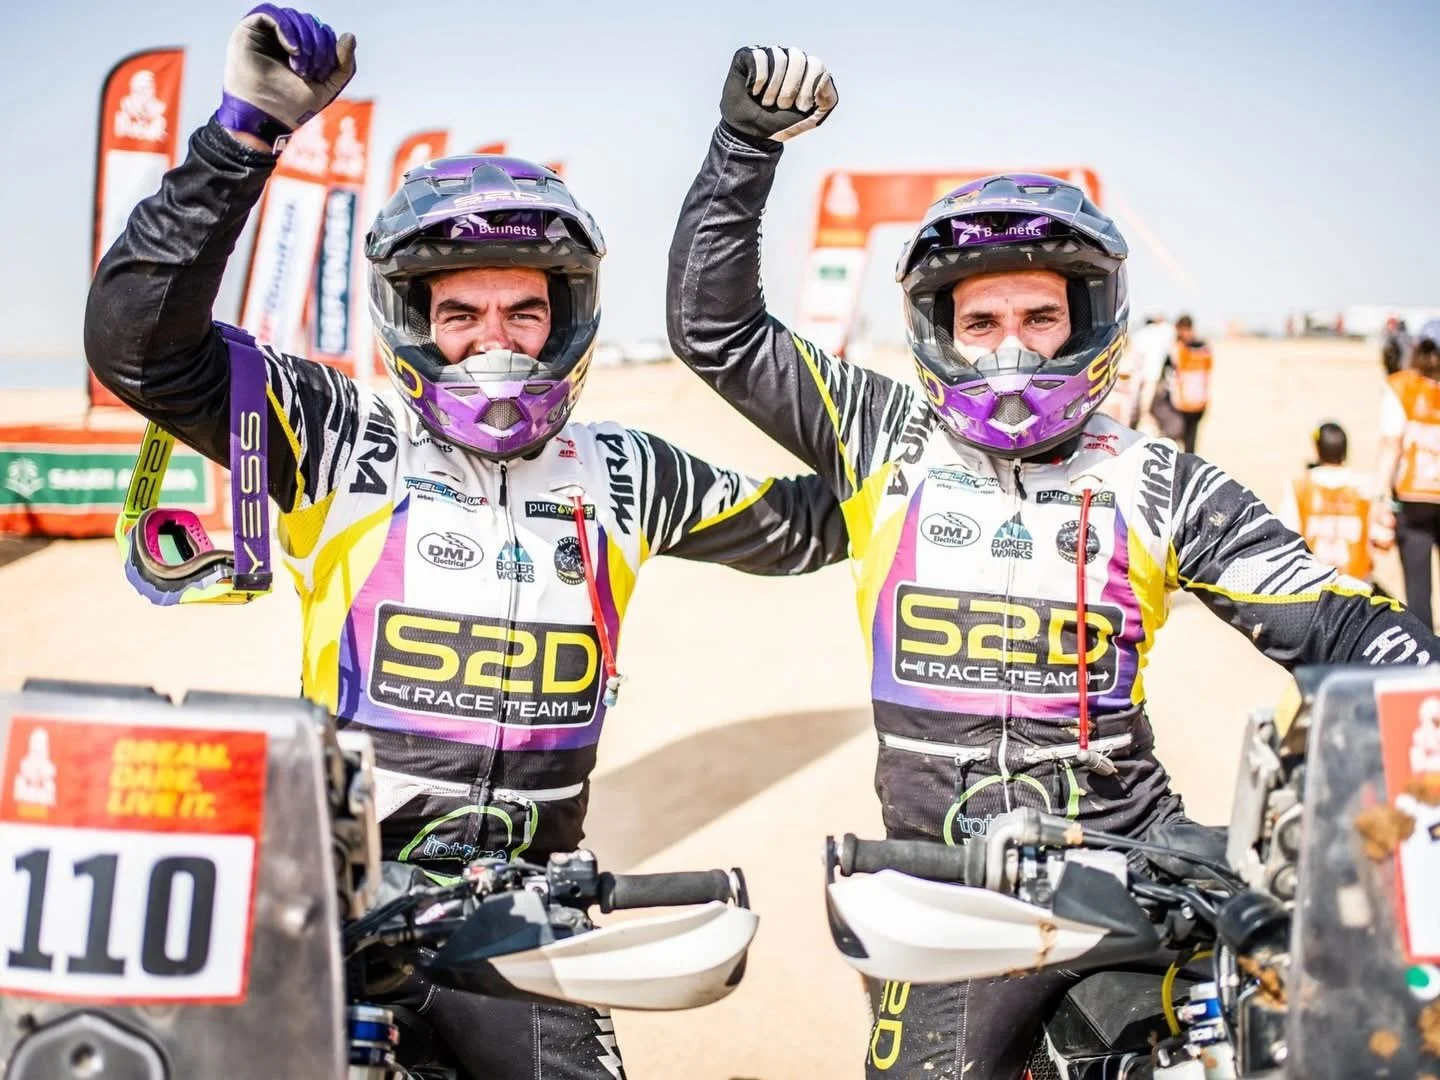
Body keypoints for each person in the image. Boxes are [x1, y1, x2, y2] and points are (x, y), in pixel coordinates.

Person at [85, 11, 847, 1078]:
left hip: (530, 910)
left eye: (524, 312)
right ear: (412, 319)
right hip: (340, 899)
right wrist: (243, 137)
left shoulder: (625, 471)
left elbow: (819, 522)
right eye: (461, 314)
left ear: (567, 317)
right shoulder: (336, 435)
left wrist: (967, 446)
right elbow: (139, 348)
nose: (496, 341)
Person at [665, 44, 1440, 1079]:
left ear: (1091, 321)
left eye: (1040, 318)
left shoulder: (1158, 480)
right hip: (947, 894)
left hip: (1134, 867)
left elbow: (1343, 622)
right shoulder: (880, 434)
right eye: (981, 322)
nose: (1012, 350)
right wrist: (743, 147)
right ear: (940, 330)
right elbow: (716, 332)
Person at [1375, 321, 1440, 629]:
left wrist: (1380, 498)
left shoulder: (1401, 387)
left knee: (1418, 589)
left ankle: (1428, 652)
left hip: (1414, 497)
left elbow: (1391, 445)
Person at [1279, 421, 1389, 588]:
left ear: (1317, 450)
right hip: (1357, 586)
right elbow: (1384, 538)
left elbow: (1286, 536)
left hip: (1312, 584)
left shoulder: (1299, 487)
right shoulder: (1365, 487)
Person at [1148, 313, 1211, 453]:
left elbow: (1166, 373)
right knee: (1187, 439)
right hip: (1195, 400)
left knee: (1181, 438)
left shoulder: (1177, 349)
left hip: (1184, 402)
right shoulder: (1203, 348)